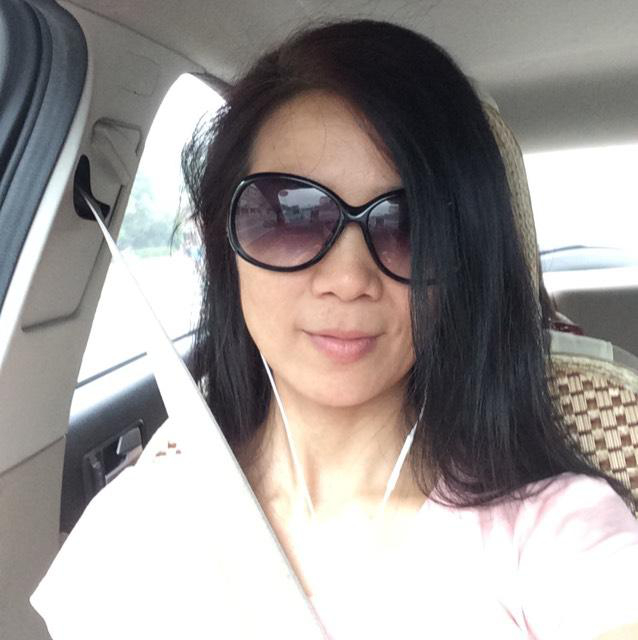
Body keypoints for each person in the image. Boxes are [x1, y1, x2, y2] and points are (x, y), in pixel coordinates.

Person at [31, 19, 638, 639]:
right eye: (289, 216)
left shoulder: (553, 532)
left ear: (463, 263)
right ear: (224, 244)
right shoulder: (135, 529)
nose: (348, 279)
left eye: (410, 227)